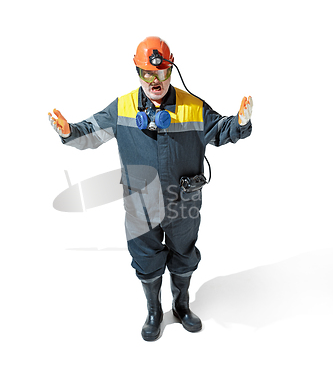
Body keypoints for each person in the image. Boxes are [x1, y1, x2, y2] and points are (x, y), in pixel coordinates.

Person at [48, 36, 253, 341]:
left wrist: (239, 122)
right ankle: (154, 310)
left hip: (184, 203)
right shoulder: (123, 108)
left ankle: (181, 305)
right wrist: (69, 132)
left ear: (170, 71)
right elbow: (90, 131)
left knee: (184, 253)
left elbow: (221, 129)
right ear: (138, 72)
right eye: (147, 73)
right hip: (140, 205)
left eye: (161, 73)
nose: (155, 80)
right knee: (145, 256)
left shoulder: (192, 107)